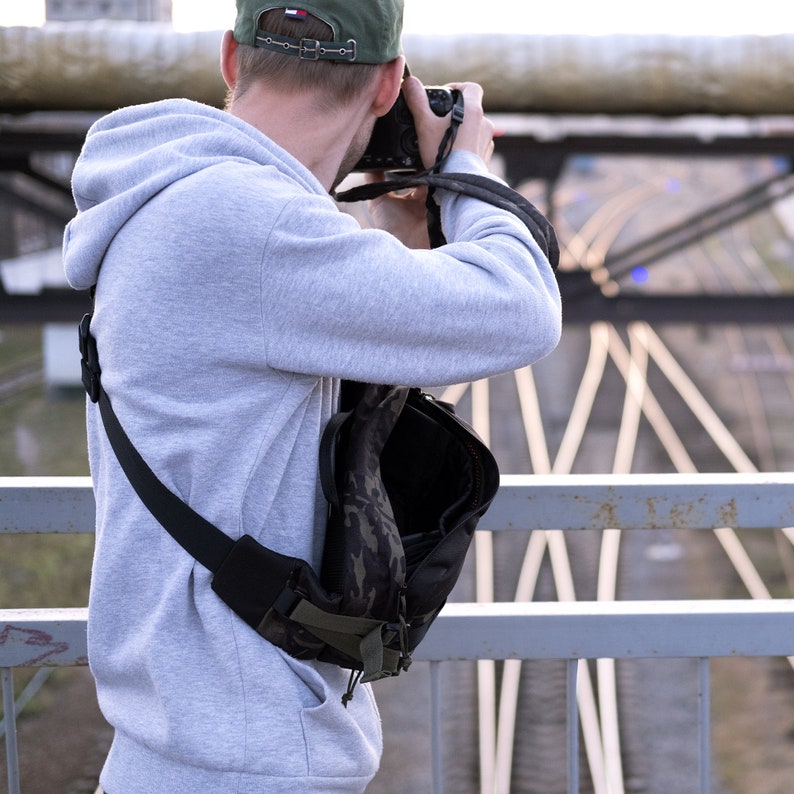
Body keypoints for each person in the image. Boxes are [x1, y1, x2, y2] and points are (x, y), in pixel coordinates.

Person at [63, 1, 562, 792]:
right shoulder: (245, 223)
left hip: (190, 744)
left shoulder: (183, 199)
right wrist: (463, 172)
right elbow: (519, 313)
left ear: (232, 57)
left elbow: (402, 351)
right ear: (388, 83)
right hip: (245, 751)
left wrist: (408, 226)